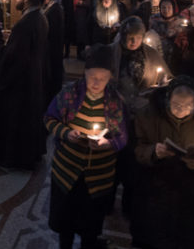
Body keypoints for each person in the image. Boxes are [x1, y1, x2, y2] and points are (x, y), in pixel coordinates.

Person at [44, 43, 128, 249]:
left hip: (98, 179)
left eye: (102, 78)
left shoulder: (116, 102)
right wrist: (66, 133)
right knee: (66, 227)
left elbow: (123, 136)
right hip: (67, 173)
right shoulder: (69, 94)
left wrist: (108, 143)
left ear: (110, 77)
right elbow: (49, 118)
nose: (97, 83)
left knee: (90, 229)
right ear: (85, 73)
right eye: (92, 77)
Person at [130, 76, 194, 249]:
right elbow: (137, 148)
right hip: (155, 189)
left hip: (191, 195)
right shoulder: (148, 115)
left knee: (185, 239)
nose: (181, 110)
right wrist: (154, 152)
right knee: (153, 238)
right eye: (176, 104)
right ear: (168, 99)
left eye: (188, 106)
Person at [0, 0, 48, 169]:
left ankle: (14, 158)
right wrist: (11, 38)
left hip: (20, 86)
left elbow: (12, 61)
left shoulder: (26, 24)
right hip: (32, 79)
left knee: (17, 120)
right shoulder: (39, 17)